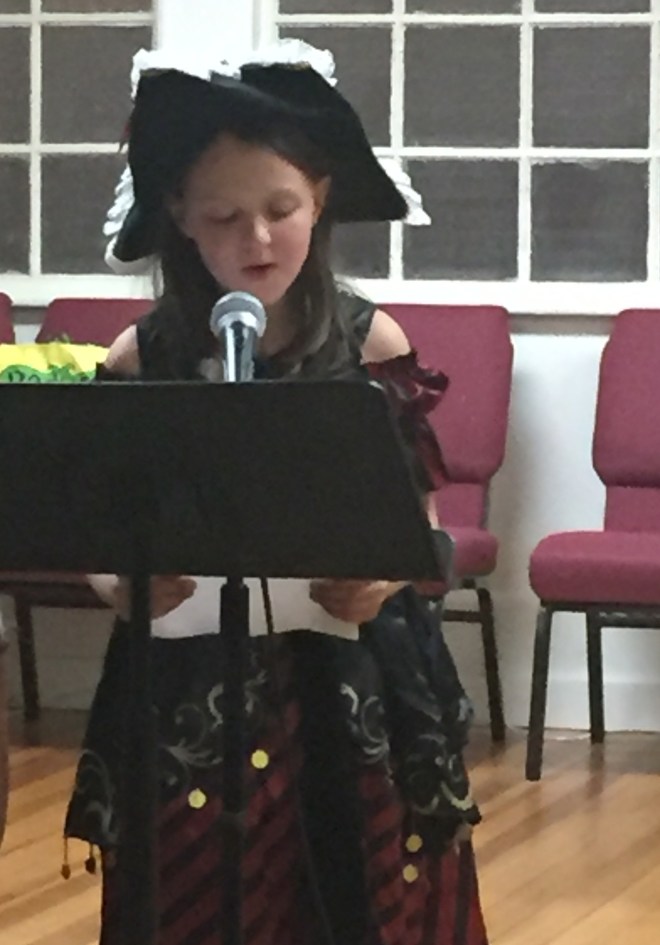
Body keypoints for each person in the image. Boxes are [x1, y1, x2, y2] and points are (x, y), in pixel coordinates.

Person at [64, 39, 489, 945]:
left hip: (350, 681)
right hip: (187, 687)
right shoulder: (141, 357)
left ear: (321, 198)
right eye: (223, 216)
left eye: (280, 209)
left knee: (358, 889)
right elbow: (101, 540)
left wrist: (380, 577)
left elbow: (422, 533)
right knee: (191, 894)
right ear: (178, 215)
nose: (255, 240)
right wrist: (124, 584)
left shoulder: (372, 345)